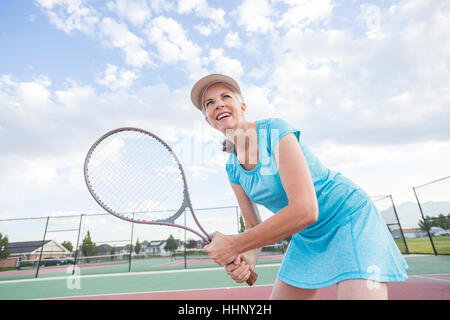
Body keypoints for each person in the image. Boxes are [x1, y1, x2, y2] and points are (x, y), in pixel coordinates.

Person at [190, 74, 408, 300]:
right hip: (307, 236)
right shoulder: (232, 169)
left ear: (242, 107)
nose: (219, 104)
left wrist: (234, 244)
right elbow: (252, 225)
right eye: (210, 103)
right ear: (208, 120)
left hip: (348, 217)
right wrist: (247, 258)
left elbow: (305, 210)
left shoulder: (274, 131)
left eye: (226, 96)